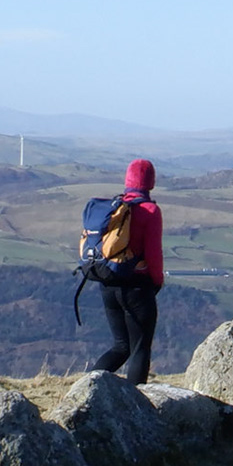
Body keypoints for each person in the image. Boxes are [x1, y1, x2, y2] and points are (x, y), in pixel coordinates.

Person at [91, 159, 164, 385]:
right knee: (140, 348)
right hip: (137, 288)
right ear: (150, 182)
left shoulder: (115, 207)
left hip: (108, 282)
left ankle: (87, 389)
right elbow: (153, 254)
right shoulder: (150, 211)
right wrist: (157, 282)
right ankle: (137, 406)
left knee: (120, 346)